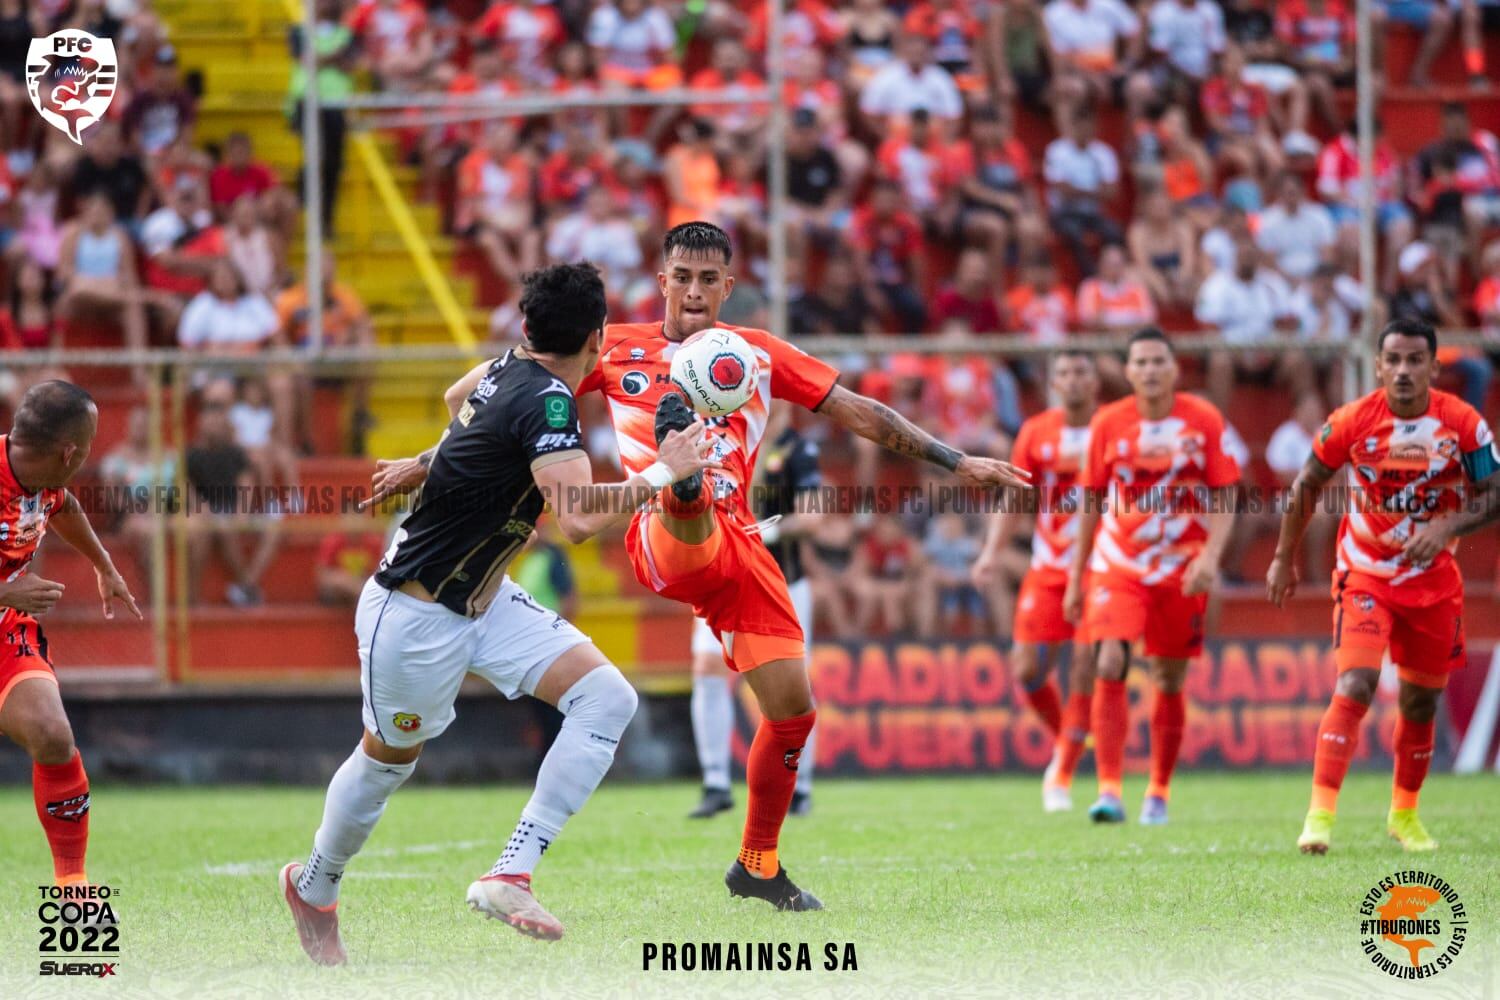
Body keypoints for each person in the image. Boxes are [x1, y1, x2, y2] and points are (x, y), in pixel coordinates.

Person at [372, 223, 1029, 912]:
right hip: (664, 533)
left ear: (728, 286)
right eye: (681, 275)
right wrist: (423, 464)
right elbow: (500, 402)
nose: (693, 289)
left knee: (792, 715)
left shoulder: (759, 354)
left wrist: (960, 462)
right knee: (688, 506)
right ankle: (680, 473)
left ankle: (758, 865)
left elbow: (859, 412)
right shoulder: (613, 344)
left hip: (742, 550)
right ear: (662, 280)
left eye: (708, 279)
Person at [281, 263, 717, 962]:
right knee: (388, 762)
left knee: (605, 697)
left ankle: (510, 872)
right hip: (417, 616)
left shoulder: (507, 366)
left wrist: (429, 461)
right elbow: (575, 518)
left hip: (484, 599)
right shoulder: (548, 402)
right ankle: (315, 884)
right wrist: (665, 472)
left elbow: (463, 403)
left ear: (527, 328)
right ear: (599, 338)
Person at [1268, 318, 1500, 854]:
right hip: (1365, 573)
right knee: (1356, 684)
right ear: (1377, 366)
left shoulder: (1463, 424)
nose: (1402, 370)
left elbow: (1493, 492)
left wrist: (1447, 526)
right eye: (1392, 360)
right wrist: (1283, 557)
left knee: (1420, 704)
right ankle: (1319, 820)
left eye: (1414, 360)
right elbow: (1306, 485)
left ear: (1434, 367)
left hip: (1434, 583)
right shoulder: (1351, 421)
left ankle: (1405, 815)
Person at [1064, 328, 1239, 825]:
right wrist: (1077, 578)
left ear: (1174, 368)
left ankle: (1158, 790)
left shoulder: (1202, 419)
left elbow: (1227, 492)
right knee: (1110, 658)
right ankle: (1110, 790)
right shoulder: (1108, 423)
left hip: (1182, 567)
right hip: (1119, 562)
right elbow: (1091, 503)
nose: (1149, 370)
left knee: (1168, 676)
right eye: (1139, 362)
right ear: (1127, 371)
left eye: (1158, 361)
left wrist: (1210, 557)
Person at [0, 381, 141, 887]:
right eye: (87, 444)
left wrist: (104, 565)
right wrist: (6, 593)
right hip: (5, 607)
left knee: (53, 735)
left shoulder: (40, 478)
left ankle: (72, 888)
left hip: (5, 635)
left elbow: (62, 506)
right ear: (69, 451)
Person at [974, 351, 1100, 812]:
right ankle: (1071, 736)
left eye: (1081, 370)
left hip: (1102, 568)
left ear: (1095, 379)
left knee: (1086, 662)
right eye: (1064, 372)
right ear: (1053, 383)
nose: (1073, 379)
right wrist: (991, 552)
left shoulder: (1111, 429)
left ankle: (1061, 772)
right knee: (1027, 670)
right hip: (1049, 568)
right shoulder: (1036, 432)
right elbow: (1015, 499)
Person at [688, 419, 823, 819]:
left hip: (782, 584)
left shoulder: (797, 448)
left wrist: (763, 535)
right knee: (707, 667)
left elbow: (813, 519)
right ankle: (715, 782)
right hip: (722, 583)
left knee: (793, 687)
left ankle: (800, 785)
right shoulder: (715, 441)